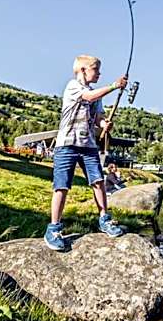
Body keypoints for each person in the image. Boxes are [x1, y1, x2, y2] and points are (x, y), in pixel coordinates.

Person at [44, 54, 128, 251]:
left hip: (88, 145)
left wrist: (104, 124)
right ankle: (53, 228)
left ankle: (104, 219)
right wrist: (114, 86)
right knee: (61, 186)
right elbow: (89, 97)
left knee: (98, 181)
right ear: (83, 70)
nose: (99, 74)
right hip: (66, 144)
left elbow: (98, 116)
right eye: (95, 69)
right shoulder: (73, 86)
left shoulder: (96, 94)